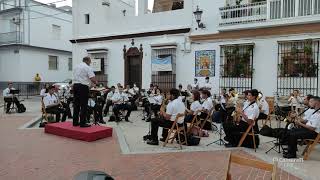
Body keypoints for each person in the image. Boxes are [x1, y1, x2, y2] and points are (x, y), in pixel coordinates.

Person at [72, 56, 98, 127]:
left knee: (76, 105)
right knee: (84, 105)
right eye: (90, 61)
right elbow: (92, 78)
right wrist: (96, 82)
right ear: (87, 61)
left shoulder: (76, 67)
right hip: (83, 87)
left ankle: (75, 122)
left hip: (75, 86)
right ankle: (82, 123)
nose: (90, 63)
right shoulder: (87, 67)